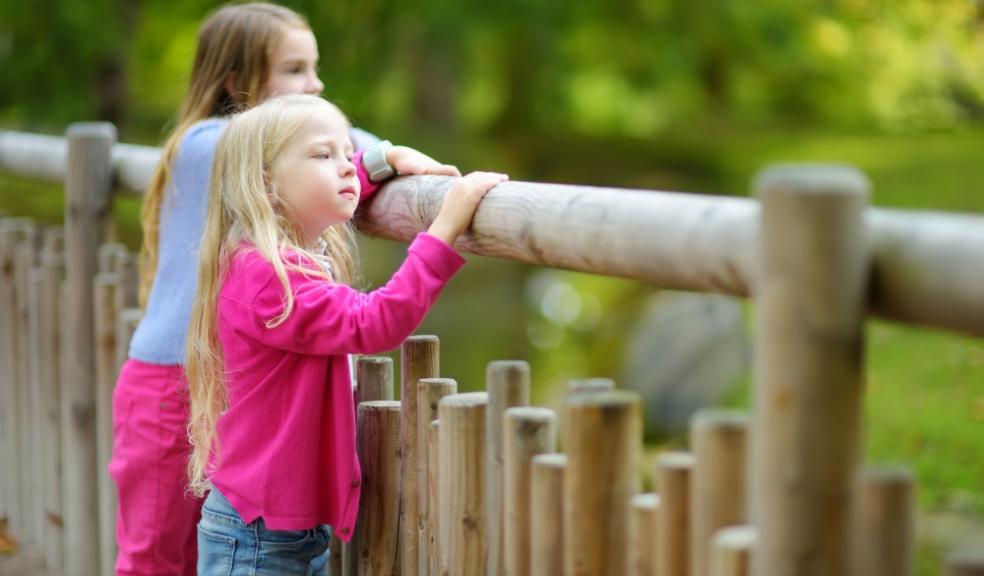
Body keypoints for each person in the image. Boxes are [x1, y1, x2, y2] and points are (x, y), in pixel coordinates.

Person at [109, 3, 458, 574]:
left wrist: (362, 159)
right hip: (169, 387)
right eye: (294, 70)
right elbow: (307, 147)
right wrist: (378, 154)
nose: (314, 84)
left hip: (233, 386)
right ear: (237, 83)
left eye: (315, 68)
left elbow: (315, 151)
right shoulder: (207, 145)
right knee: (155, 558)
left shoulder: (273, 157)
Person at [185, 93, 506, 574]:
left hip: (282, 529)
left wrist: (382, 160)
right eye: (322, 155)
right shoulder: (267, 275)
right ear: (266, 183)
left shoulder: (281, 247)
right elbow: (373, 323)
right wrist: (444, 229)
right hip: (257, 541)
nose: (344, 168)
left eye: (345, 152)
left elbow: (334, 185)